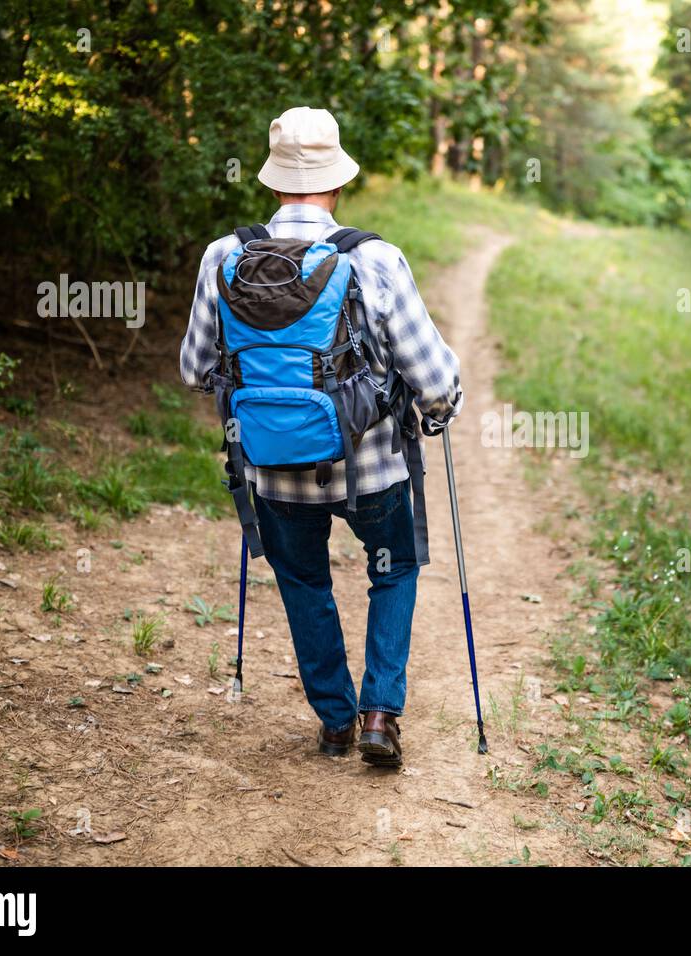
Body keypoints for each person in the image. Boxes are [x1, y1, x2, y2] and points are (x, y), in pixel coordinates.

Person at [179, 106, 463, 768]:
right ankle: (377, 716)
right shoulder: (375, 258)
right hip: (371, 467)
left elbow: (195, 369)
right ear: (337, 183)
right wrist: (439, 411)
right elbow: (435, 376)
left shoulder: (225, 256)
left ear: (274, 182)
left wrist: (263, 397)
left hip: (274, 469)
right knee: (394, 570)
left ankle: (334, 721)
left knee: (304, 580)